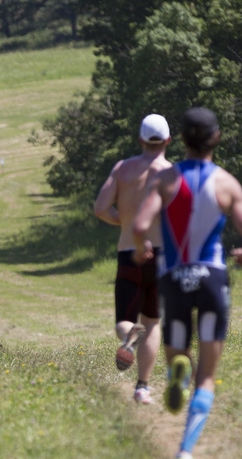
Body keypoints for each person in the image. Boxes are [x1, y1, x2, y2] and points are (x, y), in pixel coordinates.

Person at [133, 107, 242, 459]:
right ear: (216, 138)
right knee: (206, 376)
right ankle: (185, 453)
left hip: (174, 278)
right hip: (211, 279)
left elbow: (141, 224)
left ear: (182, 140)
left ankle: (177, 370)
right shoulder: (226, 184)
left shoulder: (166, 180)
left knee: (179, 352)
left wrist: (145, 247)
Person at [94, 114, 172, 405]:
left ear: (140, 139)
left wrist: (125, 221)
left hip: (129, 252)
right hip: (161, 256)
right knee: (153, 322)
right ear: (167, 141)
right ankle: (142, 387)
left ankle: (129, 336)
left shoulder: (123, 169)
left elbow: (101, 208)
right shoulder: (173, 174)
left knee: (124, 321)